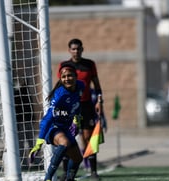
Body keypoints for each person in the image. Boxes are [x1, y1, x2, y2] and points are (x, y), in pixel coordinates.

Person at [57, 38, 106, 180]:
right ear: (69, 50)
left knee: (88, 139)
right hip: (70, 106)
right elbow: (60, 86)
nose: (76, 51)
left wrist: (99, 100)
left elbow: (96, 85)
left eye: (78, 49)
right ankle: (66, 173)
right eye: (73, 49)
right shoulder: (64, 65)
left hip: (86, 106)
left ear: (82, 49)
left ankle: (93, 172)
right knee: (67, 138)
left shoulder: (89, 65)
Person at [29, 64, 84, 181]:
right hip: (53, 128)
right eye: (64, 76)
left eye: (70, 75)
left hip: (65, 128)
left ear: (76, 76)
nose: (67, 78)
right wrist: (39, 142)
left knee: (77, 158)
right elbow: (48, 118)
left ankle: (69, 179)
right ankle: (48, 178)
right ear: (60, 78)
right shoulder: (60, 95)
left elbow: (77, 104)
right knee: (64, 142)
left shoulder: (81, 86)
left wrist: (76, 118)